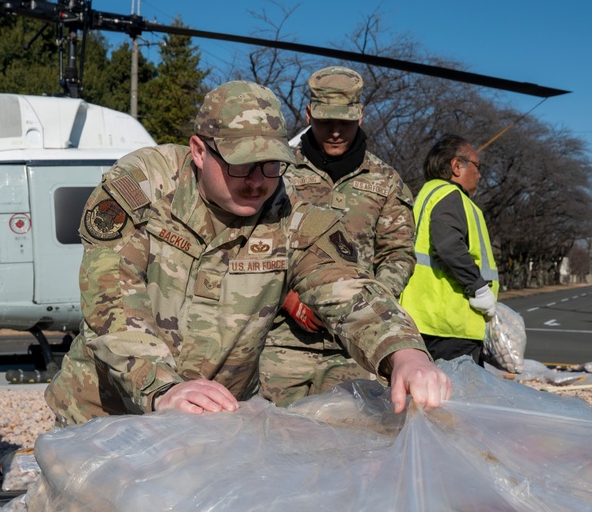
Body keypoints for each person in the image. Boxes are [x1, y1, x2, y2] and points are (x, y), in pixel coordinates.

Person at [44, 80, 449, 423]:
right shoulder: (143, 186)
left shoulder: (291, 210)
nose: (257, 182)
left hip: (216, 418)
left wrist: (404, 353)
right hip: (109, 413)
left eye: (271, 165)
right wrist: (161, 386)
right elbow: (111, 298)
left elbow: (345, 286)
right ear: (200, 151)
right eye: (241, 166)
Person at [257, 66, 416, 406]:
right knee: (269, 442)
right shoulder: (277, 172)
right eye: (325, 121)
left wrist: (363, 307)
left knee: (349, 445)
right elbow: (254, 241)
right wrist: (289, 297)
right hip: (282, 343)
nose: (334, 132)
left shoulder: (385, 181)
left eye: (343, 122)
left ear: (360, 115)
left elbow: (398, 254)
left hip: (353, 349)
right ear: (308, 113)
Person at [398, 135, 498, 365]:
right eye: (477, 166)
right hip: (450, 324)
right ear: (456, 166)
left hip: (426, 319)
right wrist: (479, 289)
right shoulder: (450, 197)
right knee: (456, 398)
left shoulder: (425, 196)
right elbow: (448, 246)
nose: (480, 174)